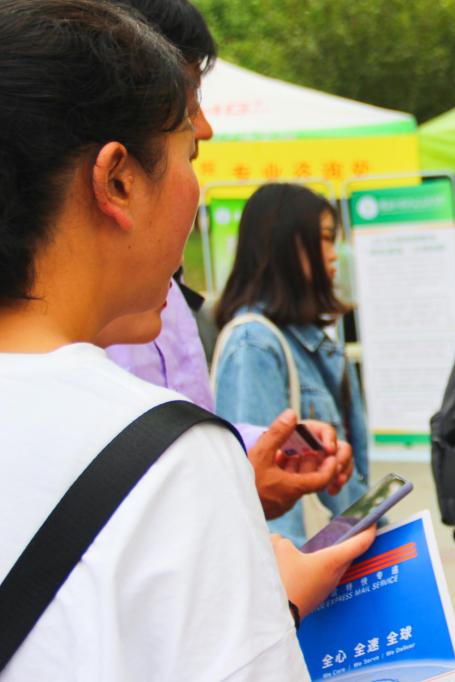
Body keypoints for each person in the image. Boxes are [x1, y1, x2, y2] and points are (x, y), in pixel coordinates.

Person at [0, 1, 373, 679]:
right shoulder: (173, 455)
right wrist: (279, 607)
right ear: (118, 180)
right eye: (189, 153)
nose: (196, 175)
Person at [97, 0, 350, 521]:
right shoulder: (64, 344)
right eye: (188, 101)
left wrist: (261, 448)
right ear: (117, 179)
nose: (205, 126)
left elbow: (186, 430)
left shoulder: (162, 294)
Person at [213, 183, 370, 545]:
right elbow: (268, 502)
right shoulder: (255, 345)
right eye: (326, 238)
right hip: (311, 566)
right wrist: (291, 577)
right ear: (286, 244)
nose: (334, 255)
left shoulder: (306, 342)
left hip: (340, 554)